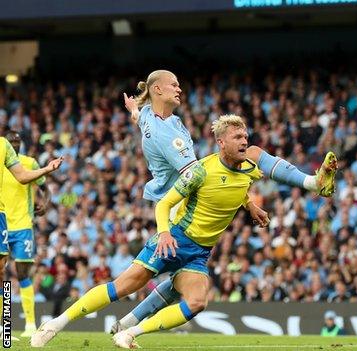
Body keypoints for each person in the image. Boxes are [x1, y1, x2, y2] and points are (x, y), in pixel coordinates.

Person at [31, 114, 337, 348]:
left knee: (197, 301)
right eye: (237, 137)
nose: (244, 140)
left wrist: (250, 205)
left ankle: (130, 332)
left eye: (245, 135)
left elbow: (265, 175)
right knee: (123, 286)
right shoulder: (201, 170)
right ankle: (56, 323)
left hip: (199, 251)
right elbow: (163, 205)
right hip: (176, 237)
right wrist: (164, 233)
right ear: (222, 143)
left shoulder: (250, 161)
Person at [107, 70, 335, 335]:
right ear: (157, 90)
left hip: (174, 198)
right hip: (180, 201)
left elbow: (139, 117)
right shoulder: (167, 132)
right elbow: (198, 178)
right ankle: (312, 183)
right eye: (174, 84)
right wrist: (248, 203)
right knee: (252, 154)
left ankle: (127, 323)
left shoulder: (147, 115)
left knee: (183, 273)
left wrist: (134, 109)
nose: (179, 89)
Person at [0, 131, 51, 337]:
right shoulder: (4, 160)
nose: (14, 145)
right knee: (2, 275)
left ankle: (30, 324)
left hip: (22, 225)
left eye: (17, 142)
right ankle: (5, 324)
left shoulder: (29, 163)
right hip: (3, 221)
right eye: (12, 142)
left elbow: (45, 187)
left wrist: (45, 203)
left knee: (22, 273)